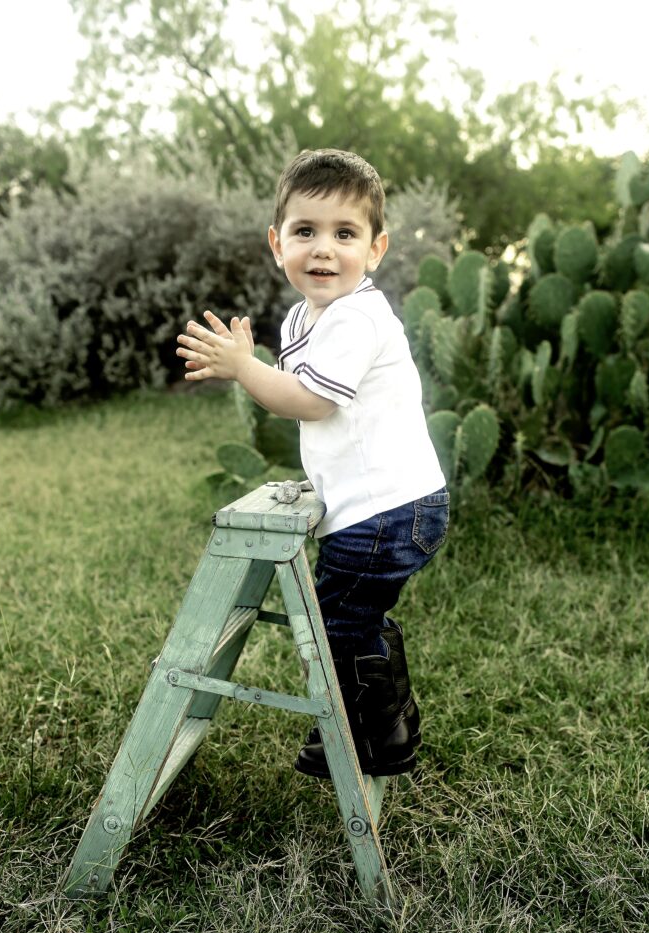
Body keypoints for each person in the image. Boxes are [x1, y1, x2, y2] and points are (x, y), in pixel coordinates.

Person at [176, 148, 448, 778]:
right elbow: (312, 407)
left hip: (387, 511)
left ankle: (373, 738)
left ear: (375, 250)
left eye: (345, 234)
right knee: (352, 618)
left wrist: (244, 368)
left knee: (332, 626)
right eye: (306, 231)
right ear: (279, 244)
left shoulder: (357, 317)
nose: (324, 248)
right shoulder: (308, 315)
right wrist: (255, 367)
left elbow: (312, 403)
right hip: (383, 507)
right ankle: (381, 719)